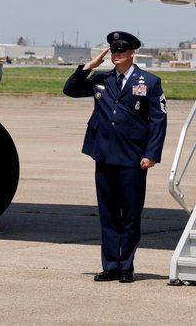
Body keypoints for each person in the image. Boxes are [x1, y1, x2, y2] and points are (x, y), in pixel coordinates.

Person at [63, 31, 167, 283]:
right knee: (108, 214)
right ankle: (110, 266)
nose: (116, 55)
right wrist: (88, 67)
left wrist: (151, 155)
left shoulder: (149, 82)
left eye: (121, 51)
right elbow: (70, 89)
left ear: (133, 52)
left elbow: (158, 120)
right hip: (105, 156)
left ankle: (126, 266)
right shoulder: (101, 80)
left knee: (130, 215)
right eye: (113, 51)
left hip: (133, 158)